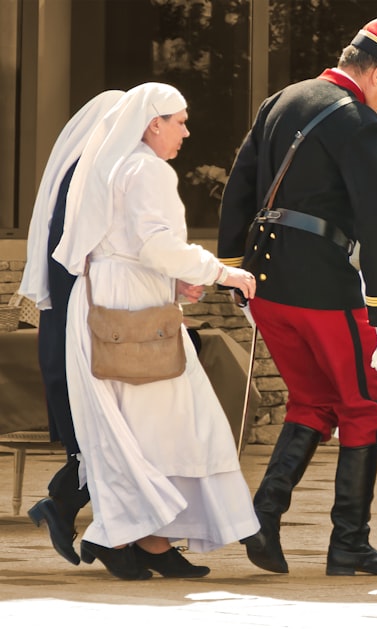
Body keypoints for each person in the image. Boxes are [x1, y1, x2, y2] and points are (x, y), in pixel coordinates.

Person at [215, 18, 377, 577]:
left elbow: (240, 186)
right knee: (365, 408)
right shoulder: (359, 121)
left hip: (268, 285)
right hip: (325, 289)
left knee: (312, 403)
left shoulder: (282, 99)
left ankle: (265, 515)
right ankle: (348, 543)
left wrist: (233, 268)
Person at [51, 82, 261, 580]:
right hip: (132, 307)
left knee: (141, 428)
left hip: (112, 298)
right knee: (166, 426)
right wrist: (222, 272)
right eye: (180, 121)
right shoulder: (147, 168)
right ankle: (133, 537)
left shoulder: (119, 165)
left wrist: (174, 277)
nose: (186, 131)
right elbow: (156, 244)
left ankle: (148, 539)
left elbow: (131, 244)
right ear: (153, 123)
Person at [18, 90, 125, 566]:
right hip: (78, 331)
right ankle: (112, 540)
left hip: (68, 329)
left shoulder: (75, 176)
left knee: (97, 446)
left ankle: (68, 511)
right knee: (102, 443)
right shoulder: (88, 182)